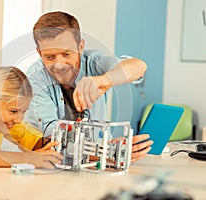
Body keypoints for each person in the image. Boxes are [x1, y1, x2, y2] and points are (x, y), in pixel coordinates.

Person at [23, 11, 153, 162]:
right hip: (56, 168)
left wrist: (102, 80)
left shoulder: (93, 62)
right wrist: (110, 153)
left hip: (100, 163)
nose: (59, 65)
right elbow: (54, 143)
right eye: (49, 57)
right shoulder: (34, 80)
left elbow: (138, 67)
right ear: (39, 53)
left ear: (80, 46)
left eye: (66, 54)